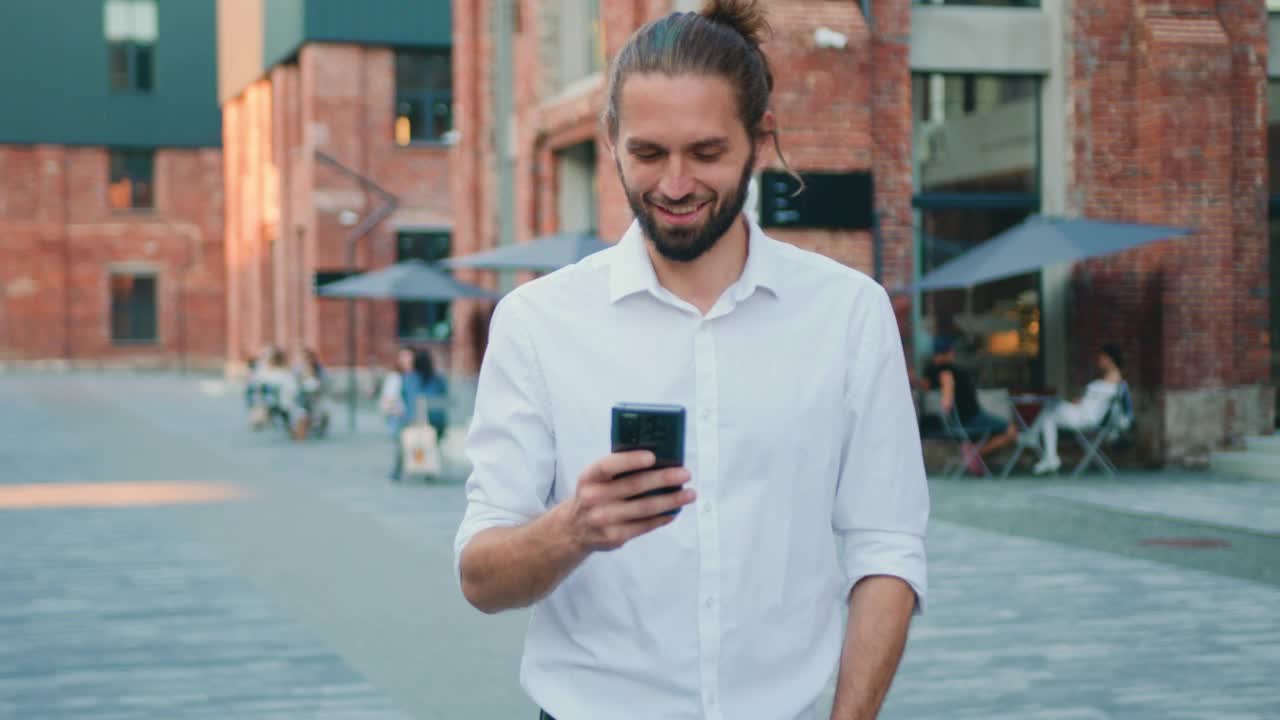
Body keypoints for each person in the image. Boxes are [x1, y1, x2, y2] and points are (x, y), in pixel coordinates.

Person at [454, 4, 929, 718]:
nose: (675, 185)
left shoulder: (848, 314)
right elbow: (481, 579)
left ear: (759, 141)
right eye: (648, 154)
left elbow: (887, 547)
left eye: (706, 153)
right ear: (611, 140)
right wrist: (575, 527)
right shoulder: (537, 323)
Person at [921, 335, 1018, 475]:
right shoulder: (948, 370)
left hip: (966, 419)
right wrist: (947, 403)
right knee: (1011, 430)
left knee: (999, 429)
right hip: (970, 419)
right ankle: (976, 453)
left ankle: (972, 449)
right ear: (950, 352)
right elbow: (947, 384)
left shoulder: (931, 371)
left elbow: (927, 385)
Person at [1028, 344, 1125, 475]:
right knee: (1049, 412)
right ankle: (1044, 450)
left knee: (1050, 410)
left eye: (1102, 358)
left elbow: (1098, 404)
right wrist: (1081, 400)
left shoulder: (1114, 379)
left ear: (1110, 359)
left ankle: (1036, 442)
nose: (1099, 361)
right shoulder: (1109, 378)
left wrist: (1082, 401)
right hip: (1083, 412)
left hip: (1086, 417)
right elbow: (1096, 400)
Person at [385, 347, 449, 481]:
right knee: (430, 442)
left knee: (402, 438)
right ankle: (428, 470)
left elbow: (410, 402)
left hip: (413, 420)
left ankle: (397, 471)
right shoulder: (438, 379)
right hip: (437, 422)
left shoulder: (409, 379)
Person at [257, 348, 307, 441]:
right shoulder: (286, 373)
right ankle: (298, 436)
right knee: (301, 413)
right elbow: (294, 389)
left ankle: (295, 433)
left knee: (297, 413)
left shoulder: (267, 373)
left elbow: (260, 388)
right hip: (286, 402)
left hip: (277, 402)